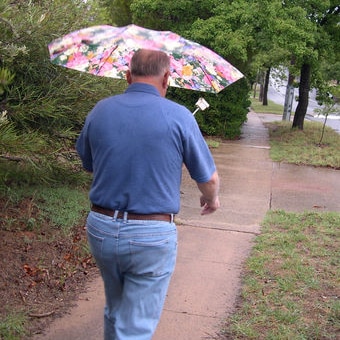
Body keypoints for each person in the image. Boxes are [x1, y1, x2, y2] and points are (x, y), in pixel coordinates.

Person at [76, 49, 220, 340]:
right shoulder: (179, 116)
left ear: (128, 76)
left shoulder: (100, 110)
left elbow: (88, 164)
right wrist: (210, 198)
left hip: (102, 228)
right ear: (167, 77)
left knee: (116, 310)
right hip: (151, 237)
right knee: (136, 326)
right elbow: (208, 179)